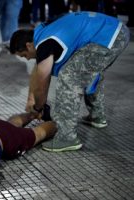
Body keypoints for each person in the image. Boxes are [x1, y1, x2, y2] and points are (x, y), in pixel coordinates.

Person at [9, 11, 130, 152]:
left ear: (29, 45)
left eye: (24, 55)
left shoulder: (44, 45)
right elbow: (38, 70)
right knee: (87, 70)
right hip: (115, 30)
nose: (28, 59)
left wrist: (38, 107)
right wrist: (31, 100)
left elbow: (42, 84)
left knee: (69, 77)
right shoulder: (42, 32)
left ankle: (67, 137)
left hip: (108, 36)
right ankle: (97, 116)